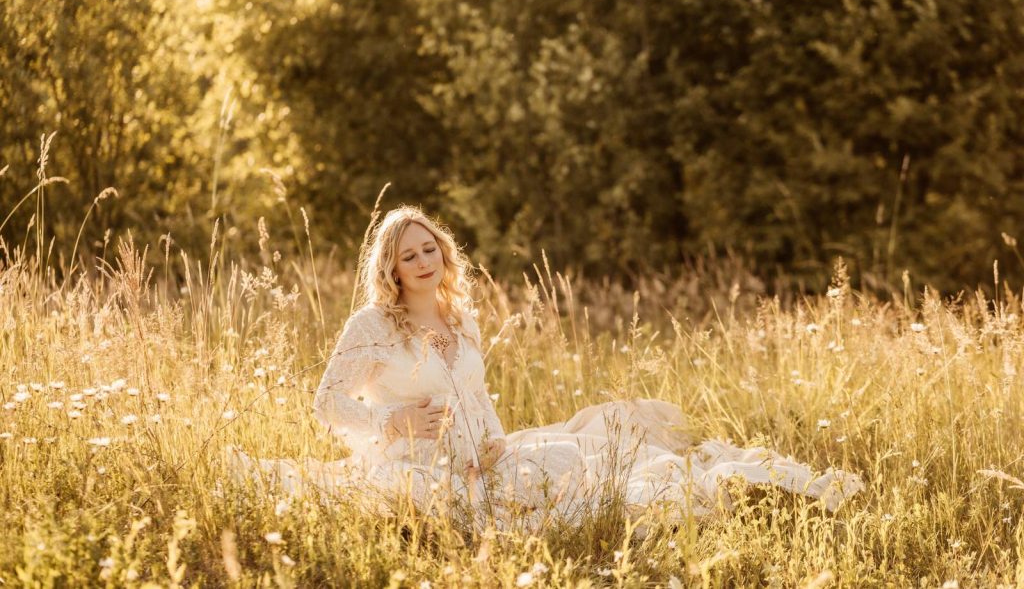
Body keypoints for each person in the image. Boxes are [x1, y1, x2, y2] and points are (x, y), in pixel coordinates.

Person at [229, 206, 864, 533]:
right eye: (408, 255)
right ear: (390, 267)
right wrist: (390, 421)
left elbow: (476, 397)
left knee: (588, 464)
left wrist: (492, 441)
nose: (422, 261)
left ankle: (769, 493)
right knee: (529, 504)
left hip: (485, 454)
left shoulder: (460, 318)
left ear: (443, 254)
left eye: (429, 249)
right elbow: (326, 405)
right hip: (415, 465)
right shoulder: (371, 326)